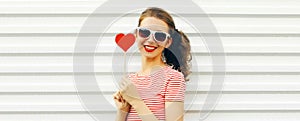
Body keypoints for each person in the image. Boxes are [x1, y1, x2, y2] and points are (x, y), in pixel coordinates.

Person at [114, 7, 192, 121]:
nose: (150, 40)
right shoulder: (129, 81)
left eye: (159, 36)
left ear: (168, 42)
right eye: (144, 32)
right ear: (136, 35)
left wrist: (135, 100)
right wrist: (122, 111)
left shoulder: (173, 78)